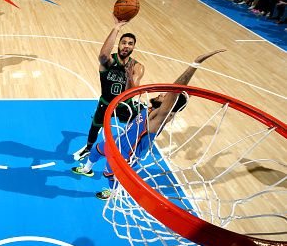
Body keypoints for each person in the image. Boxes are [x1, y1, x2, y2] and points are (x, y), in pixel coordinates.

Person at [72, 49, 226, 199]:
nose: (161, 93)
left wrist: (195, 63)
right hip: (120, 140)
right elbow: (178, 97)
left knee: (110, 176)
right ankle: (87, 169)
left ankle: (113, 193)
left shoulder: (158, 118)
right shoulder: (152, 108)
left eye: (165, 96)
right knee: (97, 150)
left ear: (170, 104)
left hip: (127, 153)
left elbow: (174, 92)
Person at [73, 15, 145, 162]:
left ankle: (133, 151)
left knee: (140, 124)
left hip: (125, 105)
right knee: (94, 127)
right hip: (106, 103)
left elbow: (132, 92)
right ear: (118, 44)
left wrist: (129, 76)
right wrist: (116, 28)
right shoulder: (109, 61)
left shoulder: (138, 67)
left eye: (130, 44)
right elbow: (102, 56)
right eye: (123, 42)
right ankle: (88, 148)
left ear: (134, 47)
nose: (126, 46)